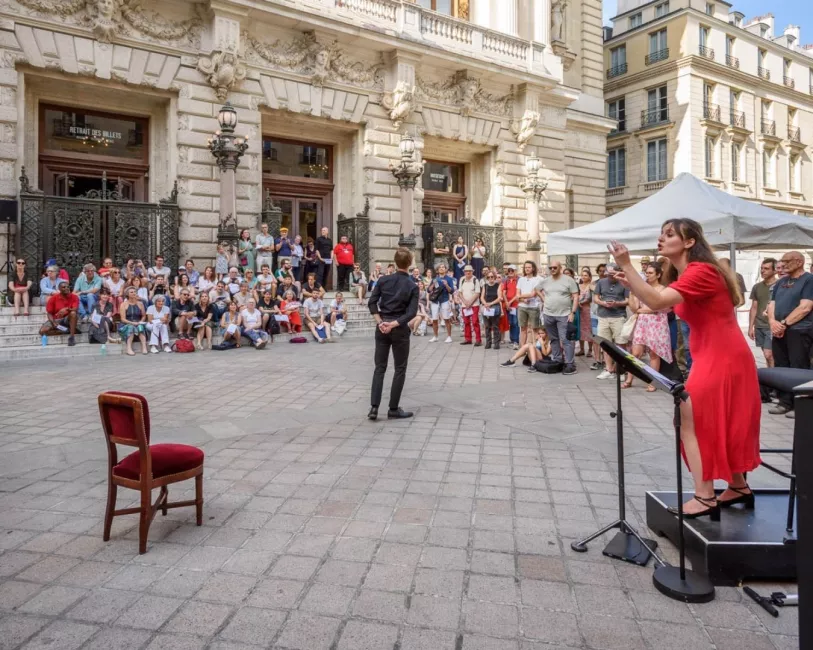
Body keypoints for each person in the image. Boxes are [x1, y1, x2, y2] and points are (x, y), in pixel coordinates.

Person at [608, 218, 760, 518]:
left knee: (692, 424)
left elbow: (656, 298)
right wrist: (634, 283)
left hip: (721, 358)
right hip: (718, 356)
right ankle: (738, 486)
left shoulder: (701, 271)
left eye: (669, 234)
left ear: (689, 242)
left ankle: (704, 496)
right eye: (660, 233)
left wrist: (626, 265)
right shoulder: (691, 273)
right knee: (718, 422)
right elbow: (661, 304)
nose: (660, 238)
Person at [368, 247, 419, 421]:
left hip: (382, 326)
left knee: (380, 368)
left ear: (395, 262)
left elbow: (372, 303)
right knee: (400, 368)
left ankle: (374, 408)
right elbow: (411, 312)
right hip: (399, 328)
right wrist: (394, 324)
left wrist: (381, 322)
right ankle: (393, 408)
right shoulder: (412, 285)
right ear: (410, 263)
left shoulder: (383, 280)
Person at [767, 250, 813, 418]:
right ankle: (784, 402)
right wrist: (773, 322)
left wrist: (784, 324)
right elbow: (772, 304)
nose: (783, 264)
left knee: (798, 367)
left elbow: (805, 307)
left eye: (786, 261)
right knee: (781, 367)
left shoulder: (809, 280)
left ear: (799, 262)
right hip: (779, 330)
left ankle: (800, 405)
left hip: (799, 331)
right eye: (782, 260)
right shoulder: (781, 282)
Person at [624, 261, 673, 391]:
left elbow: (662, 307)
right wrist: (632, 294)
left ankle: (653, 382)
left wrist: (643, 310)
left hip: (657, 323)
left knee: (654, 354)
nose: (647, 275)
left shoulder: (663, 289)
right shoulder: (642, 288)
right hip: (642, 323)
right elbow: (635, 308)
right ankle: (629, 379)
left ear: (658, 275)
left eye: (650, 273)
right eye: (646, 272)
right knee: (635, 353)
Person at [540, 261, 579, 375]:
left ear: (560, 268)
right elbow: (537, 289)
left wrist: (573, 312)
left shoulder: (568, 280)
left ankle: (570, 363)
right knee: (553, 338)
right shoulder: (546, 280)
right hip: (548, 314)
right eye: (550, 267)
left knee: (565, 339)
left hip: (564, 314)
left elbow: (576, 296)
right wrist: (543, 298)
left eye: (555, 267)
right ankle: (557, 360)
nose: (552, 269)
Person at [594, 263, 630, 380]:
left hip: (618, 316)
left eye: (612, 274)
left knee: (621, 345)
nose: (610, 276)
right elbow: (595, 298)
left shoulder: (624, 282)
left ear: (617, 272)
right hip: (603, 316)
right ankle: (608, 369)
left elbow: (627, 301)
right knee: (605, 345)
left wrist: (616, 303)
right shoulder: (601, 282)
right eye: (608, 274)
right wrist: (603, 303)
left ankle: (620, 370)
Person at [749, 258, 777, 369]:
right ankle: (772, 379)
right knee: (767, 356)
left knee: (768, 354)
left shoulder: (779, 285)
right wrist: (751, 326)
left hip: (772, 326)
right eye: (761, 268)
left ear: (774, 271)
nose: (762, 271)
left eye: (766, 269)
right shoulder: (757, 287)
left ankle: (775, 379)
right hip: (760, 325)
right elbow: (754, 307)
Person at [40, 279, 78, 346]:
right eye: (64, 287)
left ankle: (72, 337)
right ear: (59, 289)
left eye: (68, 287)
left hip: (67, 319)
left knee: (73, 313)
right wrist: (53, 322)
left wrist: (67, 309)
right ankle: (66, 330)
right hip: (56, 319)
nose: (66, 288)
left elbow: (75, 308)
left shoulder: (74, 297)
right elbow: (49, 313)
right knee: (42, 331)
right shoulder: (53, 298)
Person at [516, 261, 543, 348]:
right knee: (523, 328)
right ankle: (522, 348)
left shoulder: (537, 280)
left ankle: (536, 348)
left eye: (529, 267)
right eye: (525, 267)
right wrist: (523, 299)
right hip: (522, 307)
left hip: (533, 307)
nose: (527, 269)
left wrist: (520, 297)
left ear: (533, 268)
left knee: (535, 329)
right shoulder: (521, 279)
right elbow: (517, 293)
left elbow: (532, 294)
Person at [428, 263, 454, 343]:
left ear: (446, 269)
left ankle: (449, 336)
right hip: (435, 301)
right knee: (435, 319)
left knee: (446, 319)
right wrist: (432, 284)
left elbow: (451, 291)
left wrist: (446, 285)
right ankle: (435, 336)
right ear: (437, 270)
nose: (442, 268)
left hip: (445, 300)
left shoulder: (449, 279)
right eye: (440, 267)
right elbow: (428, 290)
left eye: (443, 267)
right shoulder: (435, 279)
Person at [119, 286, 149, 356]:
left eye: (135, 292)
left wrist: (140, 321)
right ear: (127, 294)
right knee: (131, 327)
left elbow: (144, 315)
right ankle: (129, 348)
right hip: (127, 323)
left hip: (138, 322)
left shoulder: (140, 303)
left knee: (140, 326)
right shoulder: (123, 304)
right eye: (131, 292)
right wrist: (132, 323)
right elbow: (122, 319)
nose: (133, 293)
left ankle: (144, 347)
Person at [458, 265, 482, 346]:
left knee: (475, 322)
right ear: (464, 272)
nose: (468, 272)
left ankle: (478, 340)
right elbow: (460, 292)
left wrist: (470, 303)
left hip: (474, 304)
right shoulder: (462, 280)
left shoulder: (475, 280)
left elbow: (477, 293)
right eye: (466, 271)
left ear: (472, 271)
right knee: (466, 322)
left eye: (470, 271)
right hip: (465, 305)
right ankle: (468, 339)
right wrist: (465, 302)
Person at [480, 269, 503, 350]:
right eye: (488, 277)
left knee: (495, 326)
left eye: (492, 277)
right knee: (487, 326)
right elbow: (482, 297)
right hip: (486, 307)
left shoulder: (498, 285)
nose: (490, 278)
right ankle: (488, 342)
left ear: (495, 277)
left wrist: (490, 304)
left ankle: (496, 343)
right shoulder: (485, 286)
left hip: (495, 307)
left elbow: (499, 298)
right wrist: (485, 304)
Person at [502, 265, 520, 349]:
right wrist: (506, 302)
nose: (510, 273)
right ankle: (512, 339)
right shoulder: (506, 280)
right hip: (508, 305)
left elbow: (518, 294)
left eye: (512, 271)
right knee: (510, 322)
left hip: (515, 304)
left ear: (515, 271)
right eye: (509, 271)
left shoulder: (519, 280)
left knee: (515, 323)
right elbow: (504, 292)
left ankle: (516, 340)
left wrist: (510, 302)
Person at [577, 269, 593, 358]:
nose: (583, 277)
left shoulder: (591, 286)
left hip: (587, 310)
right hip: (579, 310)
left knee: (589, 329)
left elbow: (590, 298)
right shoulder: (578, 286)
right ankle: (582, 349)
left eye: (586, 275)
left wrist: (580, 303)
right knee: (580, 329)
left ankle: (590, 350)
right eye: (582, 275)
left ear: (589, 277)